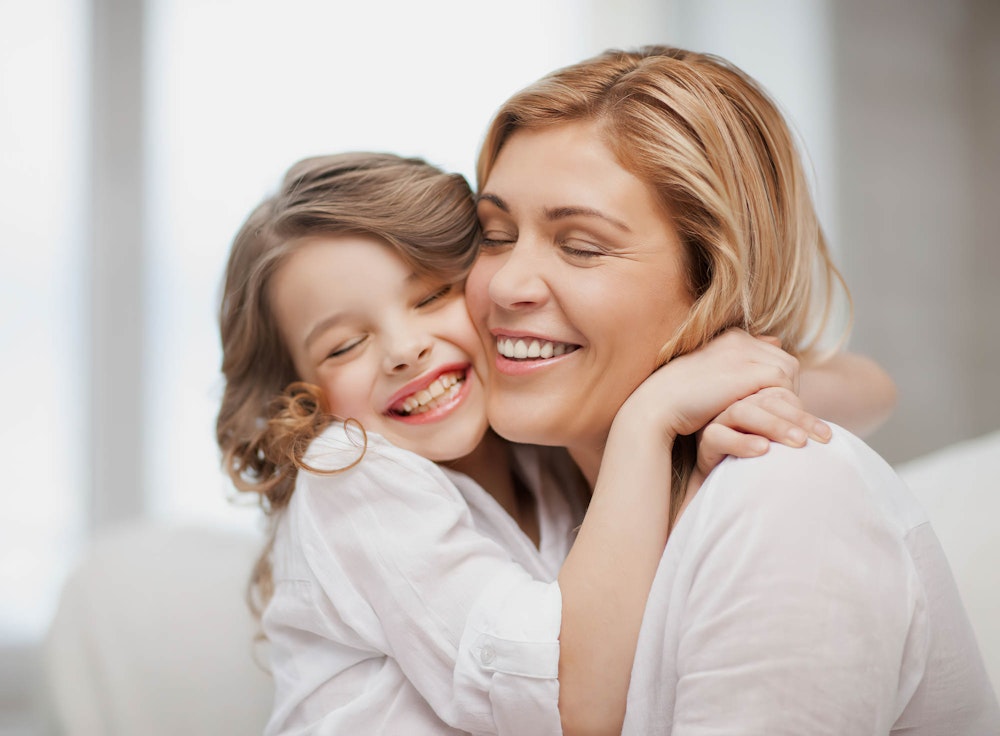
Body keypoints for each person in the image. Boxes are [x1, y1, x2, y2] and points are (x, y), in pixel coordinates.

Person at [216, 152, 894, 734]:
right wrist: (650, 416)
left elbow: (868, 391)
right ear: (300, 401)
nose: (404, 349)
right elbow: (570, 709)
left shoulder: (536, 437)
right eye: (345, 345)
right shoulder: (348, 469)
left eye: (430, 297)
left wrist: (714, 374)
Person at [467, 45, 999, 735]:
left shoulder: (783, 500)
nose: (507, 285)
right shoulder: (532, 488)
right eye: (493, 234)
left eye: (582, 246)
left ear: (713, 276)